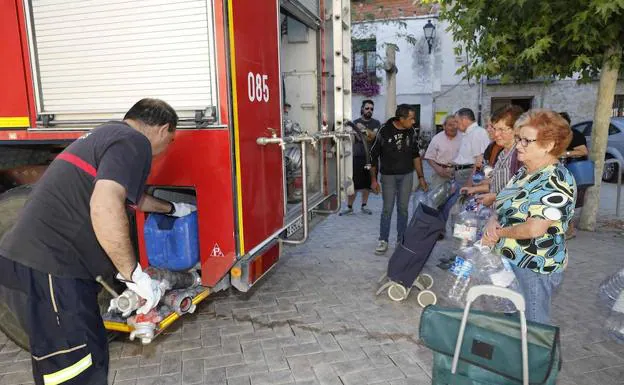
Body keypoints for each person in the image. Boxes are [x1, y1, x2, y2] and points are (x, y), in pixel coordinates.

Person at [0, 98, 196, 384]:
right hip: (51, 269)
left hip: (42, 267)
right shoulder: (134, 142)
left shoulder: (108, 134)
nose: (168, 146)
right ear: (162, 129)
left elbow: (131, 197)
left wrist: (173, 208)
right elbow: (105, 204)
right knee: (74, 370)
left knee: (89, 352)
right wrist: (134, 275)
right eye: (171, 139)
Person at [482, 109, 575, 324]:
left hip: (534, 267)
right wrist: (493, 220)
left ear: (549, 145)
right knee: (516, 324)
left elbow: (535, 229)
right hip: (512, 262)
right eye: (518, 139)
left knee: (534, 328)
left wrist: (498, 233)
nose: (519, 145)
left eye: (526, 140)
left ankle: (540, 359)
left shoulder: (556, 179)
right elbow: (504, 204)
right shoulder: (526, 171)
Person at [370, 104, 428, 255]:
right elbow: (373, 156)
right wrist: (374, 180)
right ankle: (383, 240)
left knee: (403, 209)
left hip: (407, 175)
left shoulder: (411, 132)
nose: (413, 121)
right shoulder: (384, 130)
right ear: (401, 119)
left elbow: (415, 155)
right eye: (411, 118)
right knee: (387, 209)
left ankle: (401, 239)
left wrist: (421, 177)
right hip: (388, 176)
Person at [461, 105, 524, 206]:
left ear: (516, 129)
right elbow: (498, 185)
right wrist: (474, 188)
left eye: (502, 129)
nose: (496, 134)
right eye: (495, 128)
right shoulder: (502, 153)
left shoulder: (520, 155)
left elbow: (523, 191)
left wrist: (494, 197)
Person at [341, 100, 381, 215]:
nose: (369, 111)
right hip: (357, 157)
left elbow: (373, 138)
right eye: (367, 108)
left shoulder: (376, 123)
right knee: (354, 183)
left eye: (371, 109)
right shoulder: (355, 122)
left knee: (368, 184)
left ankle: (364, 205)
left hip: (371, 158)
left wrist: (362, 129)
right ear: (362, 109)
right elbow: (356, 139)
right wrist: (362, 132)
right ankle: (349, 207)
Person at [559, 112, 589, 239]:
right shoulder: (559, 136)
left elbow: (583, 151)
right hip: (563, 171)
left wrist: (565, 153)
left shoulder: (575, 135)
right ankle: (567, 229)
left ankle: (570, 230)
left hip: (574, 171)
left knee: (567, 200)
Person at [452, 108, 491, 187]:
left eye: (457, 121)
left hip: (468, 175)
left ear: (465, 120)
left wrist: (469, 183)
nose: (455, 125)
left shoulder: (478, 133)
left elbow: (480, 162)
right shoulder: (468, 133)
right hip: (462, 174)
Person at [424, 115, 461, 190]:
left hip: (459, 174)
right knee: (438, 199)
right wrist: (438, 169)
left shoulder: (463, 138)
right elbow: (429, 157)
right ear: (444, 126)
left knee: (457, 198)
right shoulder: (437, 138)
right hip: (439, 174)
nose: (453, 127)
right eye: (450, 125)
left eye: (455, 124)